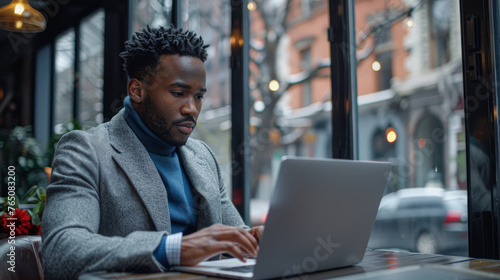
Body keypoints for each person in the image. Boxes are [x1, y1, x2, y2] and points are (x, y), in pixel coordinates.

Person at [41, 26, 263, 280]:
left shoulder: (203, 156)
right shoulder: (85, 150)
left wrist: (257, 239)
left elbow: (235, 236)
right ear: (137, 90)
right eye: (178, 93)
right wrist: (172, 250)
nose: (192, 108)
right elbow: (61, 251)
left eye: (199, 96)